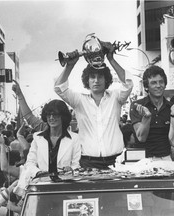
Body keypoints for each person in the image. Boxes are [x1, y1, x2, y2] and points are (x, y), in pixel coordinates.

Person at [54, 39, 133, 169]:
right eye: (92, 77)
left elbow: (128, 83)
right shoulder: (79, 100)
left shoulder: (116, 97)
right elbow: (58, 88)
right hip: (87, 162)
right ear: (87, 80)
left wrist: (111, 59)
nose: (96, 80)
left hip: (116, 162)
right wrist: (70, 65)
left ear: (106, 79)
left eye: (100, 77)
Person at [130, 66, 174, 160]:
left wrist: (173, 115)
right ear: (147, 86)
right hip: (143, 160)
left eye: (161, 82)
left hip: (166, 158)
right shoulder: (138, 106)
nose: (158, 85)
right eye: (153, 83)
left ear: (165, 84)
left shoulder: (172, 107)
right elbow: (141, 138)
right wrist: (147, 118)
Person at [25, 99, 81, 178]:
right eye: (49, 115)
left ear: (63, 116)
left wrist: (71, 169)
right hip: (42, 183)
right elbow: (30, 163)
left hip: (66, 184)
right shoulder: (37, 138)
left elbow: (76, 164)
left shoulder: (75, 138)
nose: (51, 118)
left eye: (56, 115)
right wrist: (38, 173)